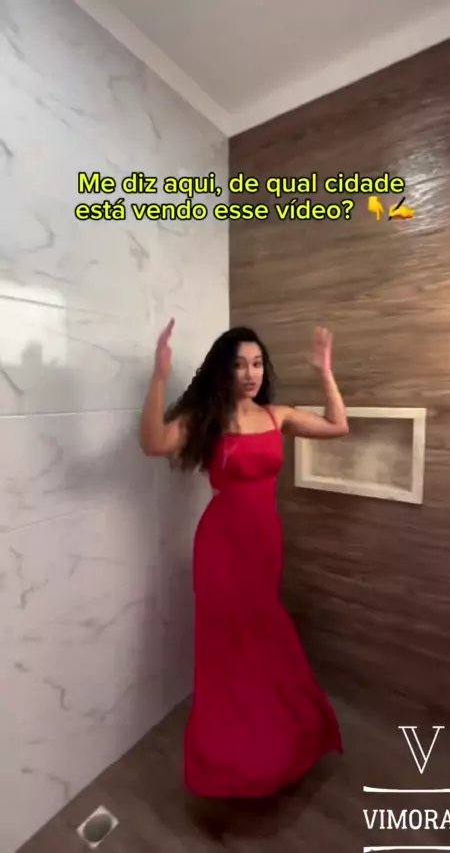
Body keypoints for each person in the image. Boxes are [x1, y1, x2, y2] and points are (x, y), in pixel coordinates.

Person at [140, 318, 349, 799]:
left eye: (257, 363)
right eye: (239, 365)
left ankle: (278, 740)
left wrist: (325, 372)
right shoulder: (207, 420)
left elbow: (338, 425)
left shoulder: (277, 416)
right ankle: (230, 759)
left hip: (264, 545)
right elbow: (152, 442)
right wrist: (159, 376)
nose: (250, 373)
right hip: (220, 548)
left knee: (266, 639)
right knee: (227, 649)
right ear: (224, 371)